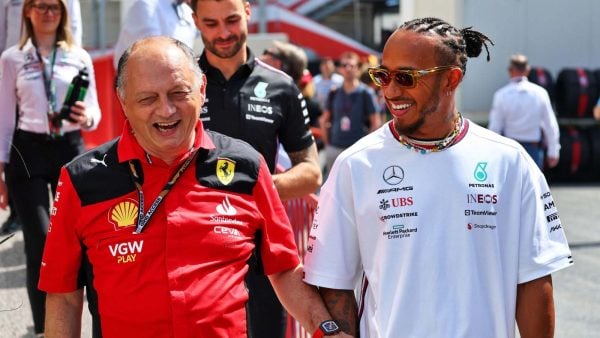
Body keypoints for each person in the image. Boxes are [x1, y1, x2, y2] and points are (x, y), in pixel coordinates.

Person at [38, 36, 350, 338]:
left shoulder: (247, 166)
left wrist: (327, 329)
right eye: (147, 98)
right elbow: (64, 295)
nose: (166, 110)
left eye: (178, 93)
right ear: (123, 101)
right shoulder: (81, 180)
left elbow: (283, 268)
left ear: (201, 90)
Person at [303, 17, 573, 338]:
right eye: (382, 75)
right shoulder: (354, 165)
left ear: (451, 80)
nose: (390, 90)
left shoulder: (510, 161)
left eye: (406, 77)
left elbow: (534, 277)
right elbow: (334, 283)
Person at [191, 1, 321, 337]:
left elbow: (310, 172)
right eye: (211, 23)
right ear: (195, 21)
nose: (223, 33)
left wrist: (252, 188)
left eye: (232, 19)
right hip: (194, 244)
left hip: (261, 243)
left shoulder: (280, 86)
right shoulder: (182, 85)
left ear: (248, 11)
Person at [0, 0, 100, 335]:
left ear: (64, 12)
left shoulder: (79, 55)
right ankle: (45, 328)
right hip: (27, 150)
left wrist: (85, 115)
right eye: (40, 6)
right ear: (27, 11)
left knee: (83, 239)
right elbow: (4, 119)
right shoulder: (13, 57)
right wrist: (0, 169)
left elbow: (95, 112)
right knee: (39, 240)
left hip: (70, 148)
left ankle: (93, 319)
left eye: (55, 6)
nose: (48, 13)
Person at [488, 54, 560, 169]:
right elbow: (550, 124)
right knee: (533, 186)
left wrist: (491, 151)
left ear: (510, 71)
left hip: (510, 148)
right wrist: (553, 150)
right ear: (528, 70)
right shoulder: (540, 93)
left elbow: (495, 127)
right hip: (533, 148)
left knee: (510, 186)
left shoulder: (501, 95)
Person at [320, 51, 382, 176]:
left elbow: (375, 123)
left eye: (352, 66)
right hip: (335, 148)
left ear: (358, 69)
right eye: (344, 66)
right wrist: (328, 144)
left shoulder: (366, 93)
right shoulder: (334, 92)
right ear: (339, 69)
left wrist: (365, 146)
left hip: (357, 150)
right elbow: (324, 120)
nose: (348, 69)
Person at [112, 0, 197, 69]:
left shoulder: (186, 10)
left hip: (176, 77)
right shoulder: (146, 5)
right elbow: (152, 54)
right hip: (144, 82)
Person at [1, 0, 82, 52]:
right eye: (41, 7)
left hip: (59, 61)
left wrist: (72, 57)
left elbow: (73, 29)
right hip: (16, 63)